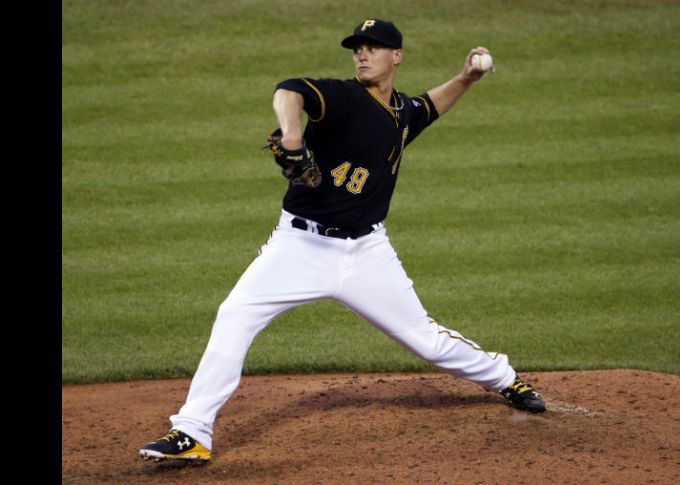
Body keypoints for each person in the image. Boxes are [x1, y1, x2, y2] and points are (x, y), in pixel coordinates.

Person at [139, 18, 545, 463]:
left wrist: (467, 78)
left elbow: (430, 106)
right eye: (357, 48)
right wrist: (292, 133)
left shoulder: (402, 111)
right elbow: (289, 89)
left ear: (396, 56)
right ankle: (192, 431)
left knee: (425, 339)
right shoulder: (344, 97)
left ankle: (504, 378)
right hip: (299, 247)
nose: (362, 54)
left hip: (368, 253)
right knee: (235, 315)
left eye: (373, 47)